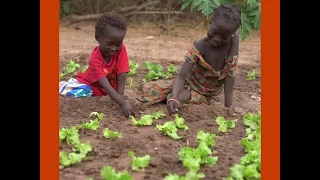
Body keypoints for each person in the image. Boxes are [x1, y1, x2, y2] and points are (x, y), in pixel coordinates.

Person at [137, 4, 241, 116]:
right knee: (153, 89)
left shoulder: (233, 43)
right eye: (214, 32)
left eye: (224, 37)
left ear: (232, 35)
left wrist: (228, 106)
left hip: (206, 92)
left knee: (173, 97)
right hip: (189, 80)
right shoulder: (200, 46)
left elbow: (230, 74)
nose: (217, 39)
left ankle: (178, 97)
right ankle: (174, 96)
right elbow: (181, 76)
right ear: (210, 23)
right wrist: (174, 96)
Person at [75, 13, 136, 117]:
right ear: (98, 38)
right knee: (79, 93)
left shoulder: (121, 49)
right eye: (109, 44)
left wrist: (120, 95)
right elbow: (105, 85)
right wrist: (122, 102)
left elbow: (122, 73)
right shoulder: (95, 59)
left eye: (118, 44)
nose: (114, 48)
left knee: (114, 95)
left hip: (109, 89)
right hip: (91, 85)